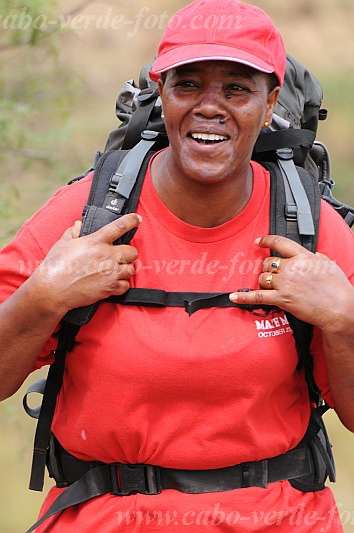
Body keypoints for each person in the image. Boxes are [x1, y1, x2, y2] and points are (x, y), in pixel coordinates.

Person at [1, 0, 354, 531]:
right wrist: (44, 295)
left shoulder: (310, 226)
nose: (210, 107)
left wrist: (345, 319)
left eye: (237, 88)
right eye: (188, 85)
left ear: (270, 101)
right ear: (160, 92)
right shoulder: (88, 214)